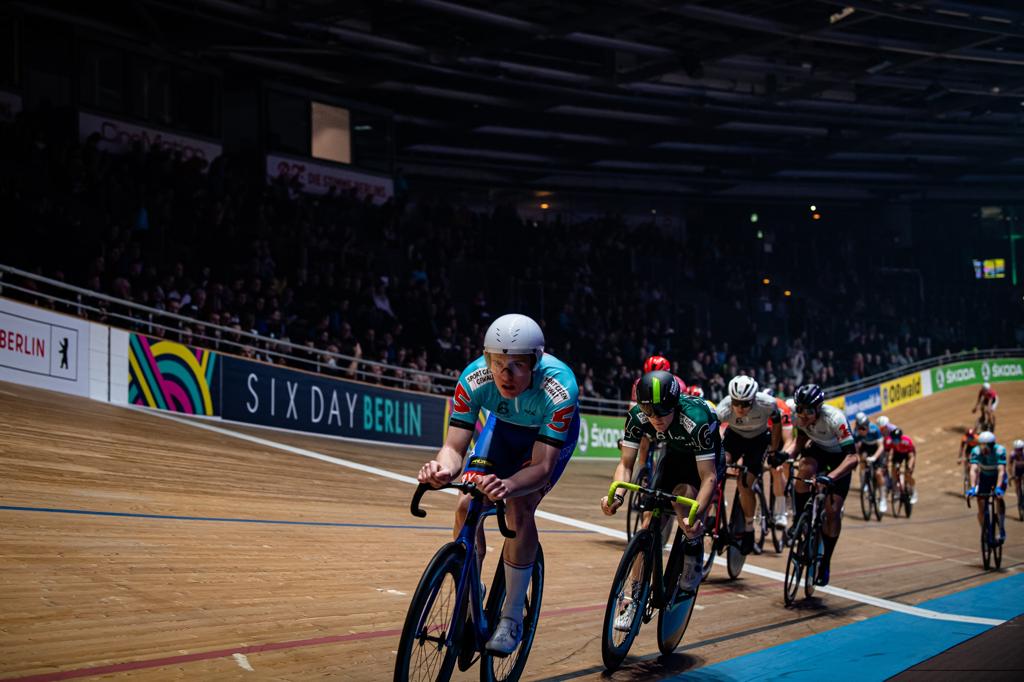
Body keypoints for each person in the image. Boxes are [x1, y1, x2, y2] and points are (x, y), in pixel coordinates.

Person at [417, 313, 580, 655]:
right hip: (502, 430)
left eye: (518, 365)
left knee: (519, 508)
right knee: (467, 503)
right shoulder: (474, 377)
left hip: (543, 444)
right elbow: (453, 448)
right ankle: (468, 585)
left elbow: (542, 468)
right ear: (487, 359)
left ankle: (511, 617)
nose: (506, 374)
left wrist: (507, 485)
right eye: (498, 363)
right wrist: (442, 470)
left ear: (535, 362)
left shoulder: (560, 387)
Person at [600, 370, 721, 628]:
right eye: (649, 412)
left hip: (704, 462)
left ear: (675, 405)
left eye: (662, 412)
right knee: (647, 524)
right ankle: (632, 600)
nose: (655, 419)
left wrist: (694, 516)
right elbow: (626, 465)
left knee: (684, 501)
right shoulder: (637, 417)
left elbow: (709, 477)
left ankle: (693, 549)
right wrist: (617, 495)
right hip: (675, 456)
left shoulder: (696, 421)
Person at [790, 384, 858, 586]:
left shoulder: (835, 419)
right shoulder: (799, 418)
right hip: (818, 451)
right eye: (799, 409)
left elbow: (853, 458)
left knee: (832, 511)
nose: (803, 414)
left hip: (841, 459)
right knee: (804, 472)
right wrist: (786, 456)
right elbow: (799, 444)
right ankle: (798, 521)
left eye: (808, 410)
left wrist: (831, 477)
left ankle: (825, 561)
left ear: (819, 408)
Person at [716, 375, 782, 553]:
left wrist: (774, 451)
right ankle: (712, 518)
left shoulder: (767, 403)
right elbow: (711, 431)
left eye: (745, 404)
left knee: (746, 482)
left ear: (754, 399)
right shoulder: (723, 407)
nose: (740, 408)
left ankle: (748, 529)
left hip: (758, 442)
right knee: (716, 468)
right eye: (736, 402)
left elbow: (777, 424)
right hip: (734, 438)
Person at [967, 431, 1007, 544]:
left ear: (992, 445)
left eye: (986, 445)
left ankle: (1002, 528)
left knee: (998, 498)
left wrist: (998, 488)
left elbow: (1001, 471)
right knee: (980, 503)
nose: (984, 448)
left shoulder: (999, 450)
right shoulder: (975, 451)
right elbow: (973, 470)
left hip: (997, 477)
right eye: (982, 445)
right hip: (985, 476)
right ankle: (986, 530)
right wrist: (973, 487)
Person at [853, 412, 888, 513]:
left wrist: (874, 457)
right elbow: (856, 448)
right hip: (866, 447)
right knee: (862, 464)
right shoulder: (856, 432)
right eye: (862, 428)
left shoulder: (874, 429)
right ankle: (865, 482)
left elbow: (881, 446)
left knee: (878, 473)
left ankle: (882, 499)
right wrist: (857, 458)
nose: (864, 430)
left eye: (865, 428)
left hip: (876, 449)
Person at [887, 428, 918, 505]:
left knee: (908, 474)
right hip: (898, 454)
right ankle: (897, 491)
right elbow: (888, 453)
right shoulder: (891, 442)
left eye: (896, 440)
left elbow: (911, 457)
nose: (895, 441)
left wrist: (909, 467)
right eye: (893, 440)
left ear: (900, 438)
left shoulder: (906, 441)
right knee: (894, 470)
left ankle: (913, 492)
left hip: (908, 454)